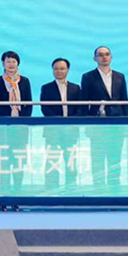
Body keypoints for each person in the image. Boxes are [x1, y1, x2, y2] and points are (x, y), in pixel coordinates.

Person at [80, 46, 128, 188]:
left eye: (107, 54)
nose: (104, 57)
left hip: (117, 122)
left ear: (111, 57)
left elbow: (124, 100)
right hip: (97, 123)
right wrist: (86, 123)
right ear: (95, 58)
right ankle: (99, 188)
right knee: (98, 158)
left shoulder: (120, 76)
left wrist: (127, 122)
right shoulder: (88, 77)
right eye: (100, 55)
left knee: (115, 158)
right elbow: (84, 101)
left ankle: (115, 188)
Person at [0, 51, 33, 191]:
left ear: (18, 63)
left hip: (21, 127)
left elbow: (29, 103)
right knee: (4, 160)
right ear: (3, 63)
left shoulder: (24, 81)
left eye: (13, 61)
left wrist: (22, 119)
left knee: (19, 159)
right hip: (3, 126)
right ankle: (4, 191)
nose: (11, 64)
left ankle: (17, 190)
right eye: (8, 61)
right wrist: (9, 117)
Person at [40, 58, 84, 190]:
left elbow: (80, 108)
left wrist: (71, 122)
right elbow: (45, 109)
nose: (59, 71)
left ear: (68, 70)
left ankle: (71, 188)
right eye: (56, 69)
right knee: (52, 161)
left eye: (62, 68)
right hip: (53, 130)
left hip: (71, 130)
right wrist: (59, 121)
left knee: (71, 161)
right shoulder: (46, 88)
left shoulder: (76, 88)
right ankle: (51, 188)